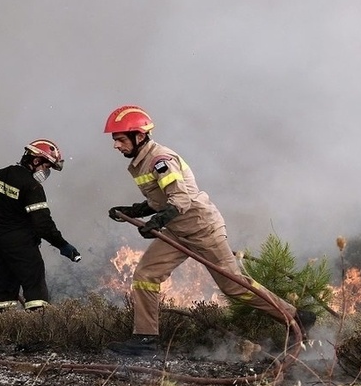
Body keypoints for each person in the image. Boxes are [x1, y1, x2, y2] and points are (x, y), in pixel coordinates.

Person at [103, 105, 315, 355]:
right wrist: (135, 211)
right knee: (146, 275)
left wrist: (157, 222)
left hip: (203, 229)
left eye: (120, 139)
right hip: (177, 231)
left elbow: (180, 199)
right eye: (115, 140)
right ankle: (146, 340)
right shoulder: (141, 162)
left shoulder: (161, 161)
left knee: (235, 286)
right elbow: (161, 199)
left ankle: (296, 317)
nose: (116, 146)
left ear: (139, 136)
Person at [0, 139, 80, 313]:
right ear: (36, 160)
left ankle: (2, 328)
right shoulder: (32, 187)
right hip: (21, 243)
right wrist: (62, 245)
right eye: (47, 166)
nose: (46, 172)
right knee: (34, 283)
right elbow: (43, 224)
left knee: (3, 284)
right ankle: (38, 329)